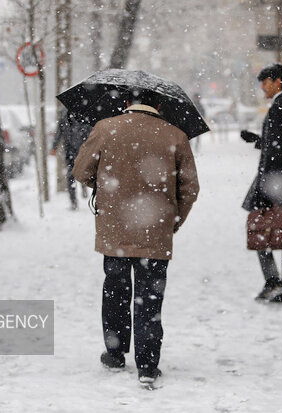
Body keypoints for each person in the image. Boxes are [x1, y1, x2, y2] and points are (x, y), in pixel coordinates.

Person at [72, 92, 199, 384]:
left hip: (115, 231)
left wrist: (103, 185)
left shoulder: (105, 128)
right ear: (159, 105)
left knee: (115, 293)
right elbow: (190, 188)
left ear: (126, 102)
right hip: (155, 231)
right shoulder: (176, 135)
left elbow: (81, 171)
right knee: (149, 298)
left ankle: (115, 355)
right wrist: (174, 219)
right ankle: (148, 364)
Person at [240, 64, 282, 303]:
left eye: (265, 82)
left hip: (277, 181)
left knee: (263, 230)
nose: (262, 87)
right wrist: (258, 140)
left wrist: (268, 188)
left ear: (277, 81)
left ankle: (278, 284)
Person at [50, 109, 92, 210]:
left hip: (73, 149)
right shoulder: (84, 112)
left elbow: (59, 131)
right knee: (77, 171)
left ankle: (74, 200)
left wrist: (54, 146)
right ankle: (77, 193)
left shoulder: (64, 113)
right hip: (79, 148)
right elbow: (90, 130)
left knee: (72, 174)